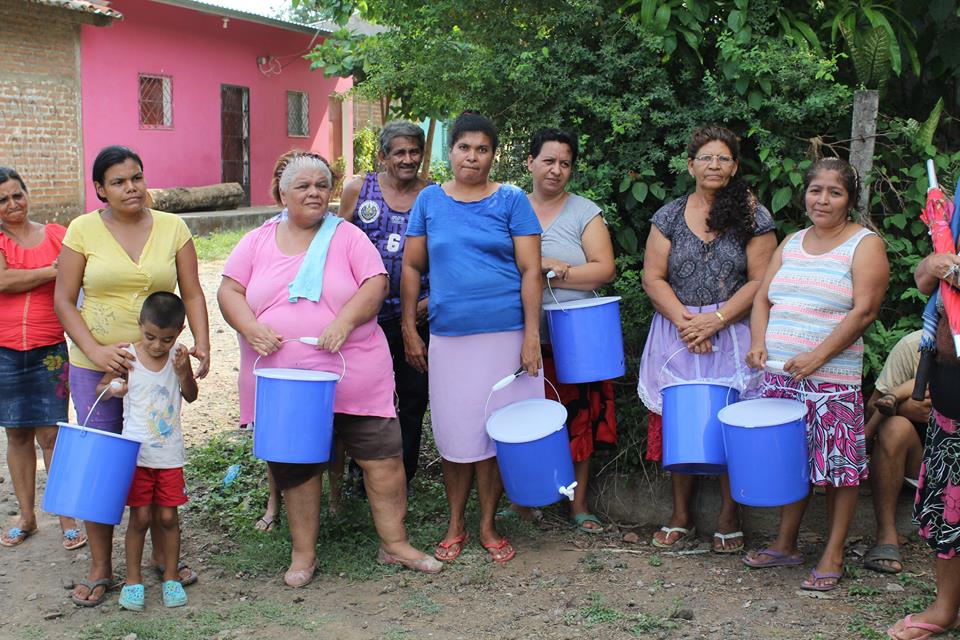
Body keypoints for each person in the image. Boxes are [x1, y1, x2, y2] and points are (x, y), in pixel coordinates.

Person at [218, 152, 439, 587]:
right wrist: (251, 326)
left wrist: (343, 321)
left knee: (383, 457)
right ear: (283, 192)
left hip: (352, 370)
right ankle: (303, 555)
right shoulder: (257, 240)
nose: (315, 192)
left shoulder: (348, 237)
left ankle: (394, 544)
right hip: (285, 377)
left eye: (322, 185)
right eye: (304, 186)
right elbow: (229, 290)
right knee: (297, 466)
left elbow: (376, 284)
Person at [54, 146, 210, 607]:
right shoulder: (81, 231)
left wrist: (201, 344)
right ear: (100, 189)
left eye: (137, 177)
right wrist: (96, 350)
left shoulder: (172, 228)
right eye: (119, 181)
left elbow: (194, 292)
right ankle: (101, 566)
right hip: (98, 368)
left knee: (157, 458)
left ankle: (166, 559)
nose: (131, 187)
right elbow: (64, 300)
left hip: (159, 370)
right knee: (101, 467)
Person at [401, 111, 544, 564]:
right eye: (464, 147)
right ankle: (455, 523)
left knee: (498, 433)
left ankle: (487, 524)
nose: (473, 156)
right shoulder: (429, 201)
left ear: (493, 155)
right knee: (455, 434)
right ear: (450, 151)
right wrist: (409, 326)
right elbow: (411, 267)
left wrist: (531, 336)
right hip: (450, 337)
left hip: (506, 337)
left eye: (482, 149)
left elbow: (530, 270)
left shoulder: (512, 200)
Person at [744, 157, 888, 591]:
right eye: (815, 190)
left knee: (838, 468)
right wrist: (758, 341)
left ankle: (833, 552)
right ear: (805, 192)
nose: (822, 199)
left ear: (849, 199)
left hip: (832, 378)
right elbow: (763, 300)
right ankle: (786, 543)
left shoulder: (865, 245)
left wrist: (816, 357)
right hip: (780, 377)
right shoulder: (791, 241)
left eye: (834, 192)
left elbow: (864, 311)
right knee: (791, 462)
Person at [637, 126, 777, 552]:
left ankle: (728, 514)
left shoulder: (754, 216)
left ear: (735, 167)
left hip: (731, 331)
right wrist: (687, 323)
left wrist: (715, 320)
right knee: (679, 418)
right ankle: (681, 515)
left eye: (723, 159)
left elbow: (762, 280)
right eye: (705, 158)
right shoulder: (668, 216)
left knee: (729, 419)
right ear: (690, 165)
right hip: (677, 329)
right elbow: (652, 277)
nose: (714, 165)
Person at [524, 128, 616, 532]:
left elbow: (603, 269)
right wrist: (542, 265)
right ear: (530, 163)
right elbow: (500, 266)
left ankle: (577, 503)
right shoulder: (511, 207)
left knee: (577, 417)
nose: (556, 170)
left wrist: (550, 274)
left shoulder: (584, 211)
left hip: (575, 338)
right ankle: (526, 498)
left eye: (564, 163)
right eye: (548, 160)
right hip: (523, 334)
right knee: (527, 419)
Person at [339, 120, 431, 492]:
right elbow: (335, 241)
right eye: (400, 153)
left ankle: (403, 476)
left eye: (414, 153)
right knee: (365, 397)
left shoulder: (432, 196)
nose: (408, 160)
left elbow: (444, 253)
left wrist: (429, 300)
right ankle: (360, 473)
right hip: (365, 317)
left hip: (416, 314)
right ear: (383, 156)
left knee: (411, 398)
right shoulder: (360, 189)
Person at [0, 167, 85, 550]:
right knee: (17, 433)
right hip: (4, 352)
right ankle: (27, 516)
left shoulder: (57, 235)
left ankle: (66, 515)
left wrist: (41, 273)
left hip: (50, 349)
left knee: (52, 432)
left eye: (18, 195)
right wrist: (49, 271)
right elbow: (2, 281)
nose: (12, 204)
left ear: (27, 194)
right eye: (2, 199)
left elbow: (75, 275)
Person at [95, 292, 197, 611]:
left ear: (179, 333)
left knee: (168, 516)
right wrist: (115, 389)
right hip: (136, 457)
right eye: (150, 336)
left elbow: (191, 395)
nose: (156, 345)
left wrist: (183, 372)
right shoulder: (128, 356)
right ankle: (134, 582)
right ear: (140, 326)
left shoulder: (178, 356)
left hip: (169, 457)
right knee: (139, 518)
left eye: (165, 339)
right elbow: (102, 388)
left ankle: (170, 577)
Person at [885, 249, 960, 638]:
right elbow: (925, 280)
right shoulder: (956, 217)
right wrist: (930, 268)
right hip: (951, 397)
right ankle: (946, 608)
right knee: (950, 509)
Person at [863, 329, 929, 574]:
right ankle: (886, 536)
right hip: (922, 460)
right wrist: (905, 410)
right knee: (894, 427)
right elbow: (874, 405)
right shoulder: (915, 345)